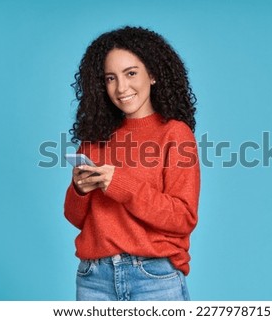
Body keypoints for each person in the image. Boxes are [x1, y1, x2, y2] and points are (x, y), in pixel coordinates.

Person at [64, 26, 200, 301]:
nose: (121, 88)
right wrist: (79, 190)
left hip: (153, 277)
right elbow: (76, 218)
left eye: (131, 73)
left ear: (152, 74)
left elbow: (183, 218)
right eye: (110, 78)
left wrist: (121, 185)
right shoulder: (94, 138)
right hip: (94, 278)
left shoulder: (174, 134)